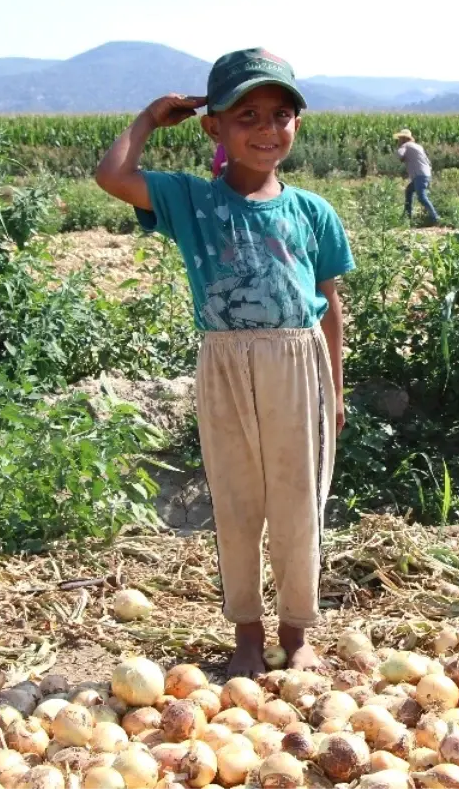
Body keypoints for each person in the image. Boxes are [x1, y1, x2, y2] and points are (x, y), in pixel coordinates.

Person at [94, 48, 354, 677]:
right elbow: (112, 175)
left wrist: (337, 391)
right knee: (237, 502)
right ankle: (245, 634)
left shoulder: (311, 211)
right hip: (226, 362)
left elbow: (329, 308)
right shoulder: (189, 201)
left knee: (299, 503)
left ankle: (297, 633)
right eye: (248, 116)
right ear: (214, 127)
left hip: (300, 363)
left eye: (281, 114)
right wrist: (150, 119)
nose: (268, 130)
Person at [394, 128, 439, 225]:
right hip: (425, 174)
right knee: (409, 190)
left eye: (400, 138)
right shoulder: (418, 146)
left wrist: (400, 154)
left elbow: (400, 155)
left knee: (422, 197)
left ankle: (435, 218)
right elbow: (427, 161)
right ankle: (407, 215)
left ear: (404, 139)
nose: (399, 141)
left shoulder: (405, 145)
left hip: (419, 175)